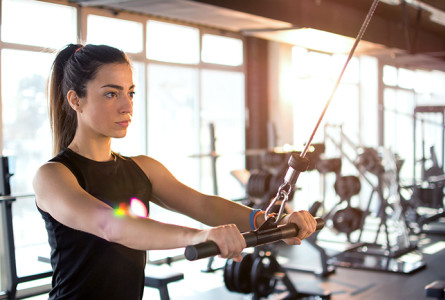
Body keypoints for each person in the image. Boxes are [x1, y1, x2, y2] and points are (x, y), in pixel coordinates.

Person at [33, 43, 317, 300]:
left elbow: (203, 204)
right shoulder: (54, 176)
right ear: (75, 100)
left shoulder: (143, 168)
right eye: (111, 94)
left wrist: (267, 222)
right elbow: (111, 225)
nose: (127, 106)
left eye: (130, 93)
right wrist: (198, 237)